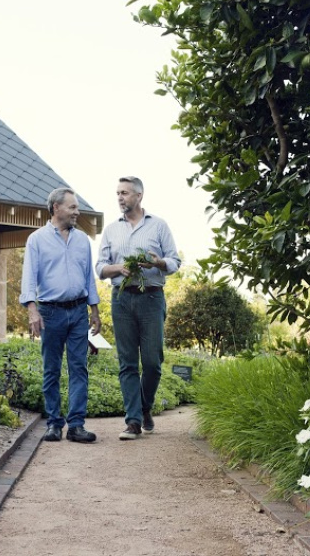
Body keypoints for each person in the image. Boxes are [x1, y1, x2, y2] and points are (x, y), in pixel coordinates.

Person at [96, 176, 181, 440]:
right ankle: (133, 421)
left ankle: (145, 407)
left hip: (151, 298)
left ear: (139, 195)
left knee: (153, 362)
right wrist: (118, 268)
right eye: (118, 193)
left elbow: (175, 261)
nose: (120, 198)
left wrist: (158, 263)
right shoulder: (111, 230)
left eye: (125, 193)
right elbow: (100, 268)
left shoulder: (158, 226)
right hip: (121, 299)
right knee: (128, 363)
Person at [20, 187, 102, 443]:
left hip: (78, 311)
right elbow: (29, 277)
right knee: (51, 369)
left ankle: (76, 426)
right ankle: (54, 423)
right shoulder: (36, 240)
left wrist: (94, 310)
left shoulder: (82, 240)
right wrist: (32, 310)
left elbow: (89, 277)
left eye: (77, 207)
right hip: (50, 312)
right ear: (56, 208)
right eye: (72, 207)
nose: (77, 212)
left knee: (79, 368)